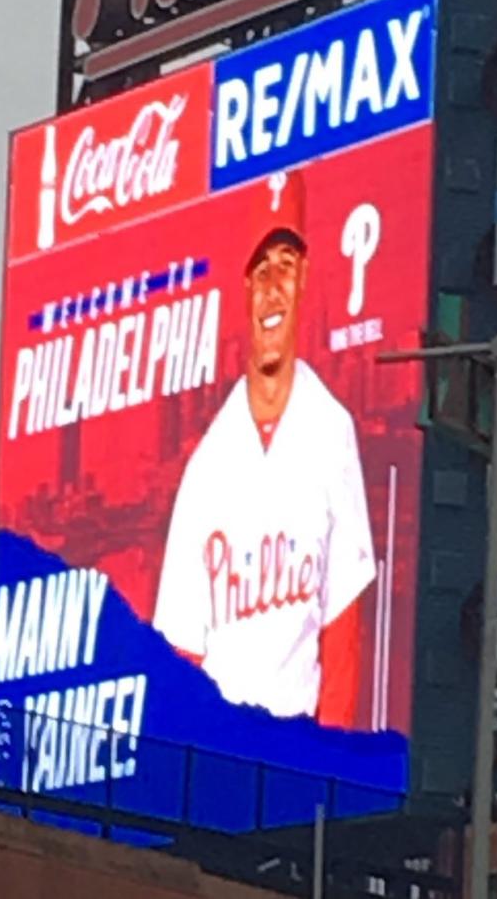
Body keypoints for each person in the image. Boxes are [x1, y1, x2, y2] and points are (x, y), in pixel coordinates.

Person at [153, 169, 376, 727]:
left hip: (299, 742)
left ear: (305, 280)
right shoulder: (208, 462)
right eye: (261, 270)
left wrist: (332, 767)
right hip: (222, 751)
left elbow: (343, 624)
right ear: (246, 290)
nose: (273, 285)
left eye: (286, 266)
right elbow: (181, 645)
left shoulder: (331, 429)